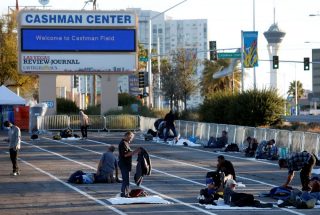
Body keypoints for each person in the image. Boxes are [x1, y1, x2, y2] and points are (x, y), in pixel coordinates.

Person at [118, 131, 141, 197]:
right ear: (127, 136)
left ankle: (126, 193)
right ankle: (124, 193)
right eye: (131, 137)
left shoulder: (126, 143)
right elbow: (125, 155)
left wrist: (134, 152)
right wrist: (135, 151)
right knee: (126, 180)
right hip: (124, 164)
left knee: (127, 180)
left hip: (126, 164)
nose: (132, 138)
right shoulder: (123, 143)